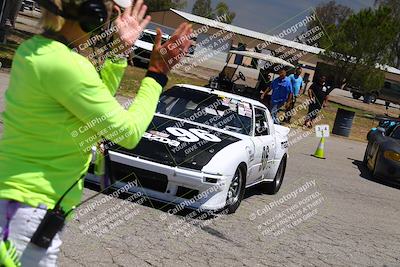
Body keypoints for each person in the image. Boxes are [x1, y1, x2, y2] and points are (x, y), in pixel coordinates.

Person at [0, 0, 193, 265]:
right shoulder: (66, 66)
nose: (108, 19)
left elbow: (92, 111)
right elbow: (129, 132)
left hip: (18, 203)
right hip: (30, 213)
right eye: (107, 11)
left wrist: (117, 53)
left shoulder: (34, 50)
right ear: (91, 13)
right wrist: (158, 73)